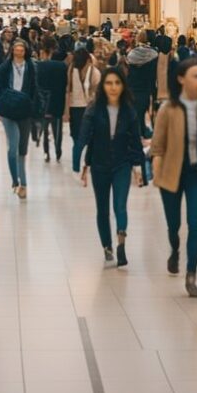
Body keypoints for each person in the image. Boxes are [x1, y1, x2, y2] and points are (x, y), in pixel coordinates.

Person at [151, 59, 197, 297]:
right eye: (196, 76)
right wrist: (156, 169)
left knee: (194, 223)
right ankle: (174, 249)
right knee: (174, 224)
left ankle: (191, 275)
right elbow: (157, 144)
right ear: (181, 79)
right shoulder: (168, 108)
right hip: (172, 172)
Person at [76, 67, 144, 267]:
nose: (113, 88)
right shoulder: (94, 109)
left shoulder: (129, 110)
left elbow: (135, 141)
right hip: (100, 165)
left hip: (122, 164)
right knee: (102, 208)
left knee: (120, 205)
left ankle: (121, 241)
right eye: (109, 83)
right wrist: (84, 165)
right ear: (102, 86)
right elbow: (88, 138)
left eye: (117, 83)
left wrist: (138, 167)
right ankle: (107, 246)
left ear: (123, 86)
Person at [0, 40, 38, 199]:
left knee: (22, 150)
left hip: (24, 110)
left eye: (21, 50)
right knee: (12, 147)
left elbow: (34, 88)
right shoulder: (4, 68)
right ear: (12, 51)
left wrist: (34, 106)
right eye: (16, 50)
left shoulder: (31, 67)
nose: (19, 52)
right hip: (8, 109)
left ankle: (23, 184)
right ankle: (16, 181)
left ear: (25, 52)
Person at [66, 48, 101, 174]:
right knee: (81, 139)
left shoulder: (74, 70)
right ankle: (80, 166)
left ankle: (78, 166)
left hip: (81, 108)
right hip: (81, 107)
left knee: (80, 139)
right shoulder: (92, 71)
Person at [125, 32, 158, 142]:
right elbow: (154, 76)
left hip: (132, 87)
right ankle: (141, 133)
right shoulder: (153, 55)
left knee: (135, 113)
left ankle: (138, 133)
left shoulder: (131, 54)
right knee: (143, 111)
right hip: (145, 88)